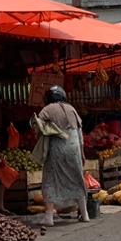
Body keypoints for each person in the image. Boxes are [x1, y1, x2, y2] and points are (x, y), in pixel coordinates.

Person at [33, 86, 87, 225]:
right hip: (74, 149)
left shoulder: (47, 109)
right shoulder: (72, 109)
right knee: (77, 178)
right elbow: (80, 134)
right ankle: (85, 214)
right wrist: (82, 153)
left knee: (50, 179)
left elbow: (38, 127)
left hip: (57, 150)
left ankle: (49, 217)